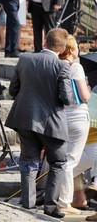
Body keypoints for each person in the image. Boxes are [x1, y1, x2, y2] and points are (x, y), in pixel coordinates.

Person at [5, 28, 74, 219]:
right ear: (62, 49)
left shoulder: (25, 60)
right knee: (58, 163)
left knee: (28, 161)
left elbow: (13, 90)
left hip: (25, 119)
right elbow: (67, 98)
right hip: (52, 123)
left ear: (44, 42)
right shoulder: (63, 66)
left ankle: (28, 203)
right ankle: (50, 206)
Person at [57, 35, 91, 215]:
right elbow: (85, 96)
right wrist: (87, 87)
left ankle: (62, 198)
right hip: (77, 116)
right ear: (70, 49)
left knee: (65, 160)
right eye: (76, 46)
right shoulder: (76, 67)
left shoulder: (55, 65)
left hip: (61, 117)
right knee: (70, 161)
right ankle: (64, 202)